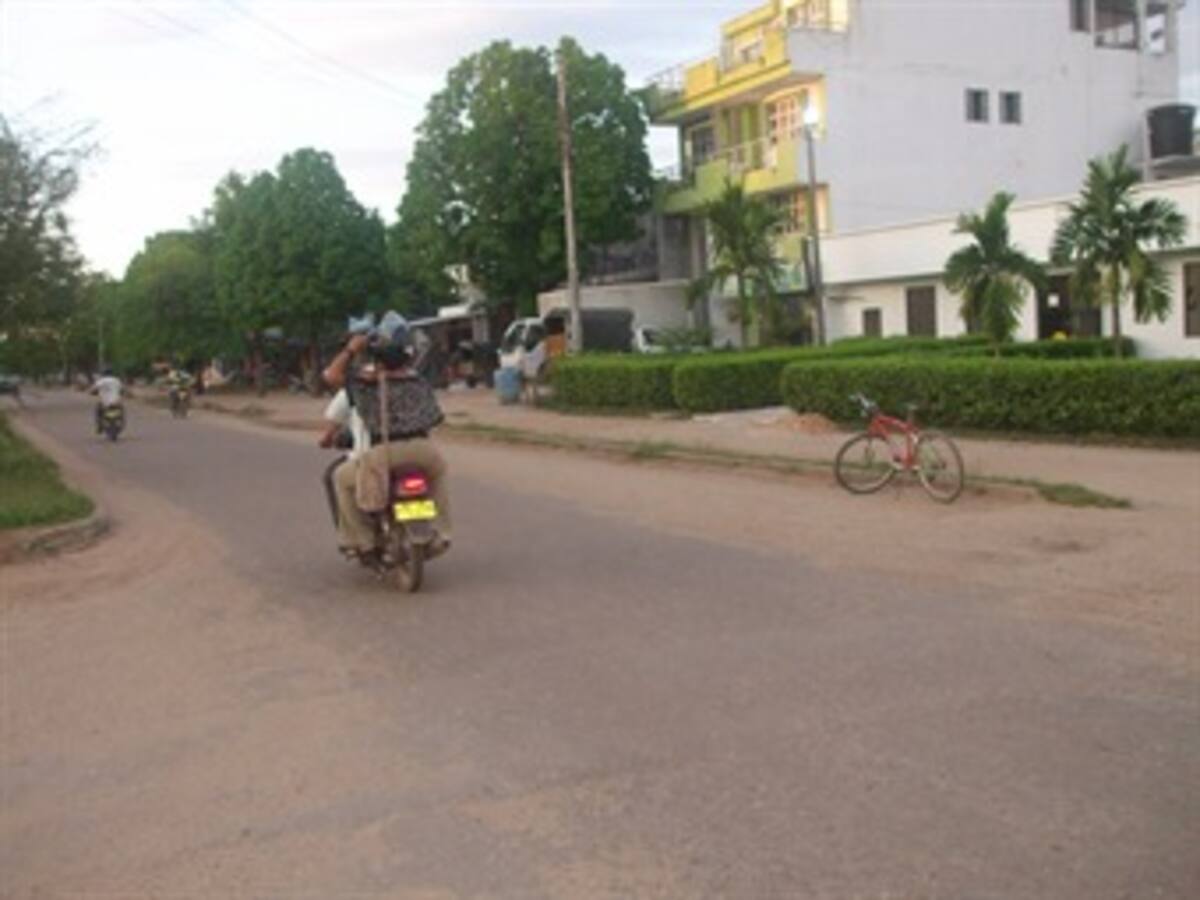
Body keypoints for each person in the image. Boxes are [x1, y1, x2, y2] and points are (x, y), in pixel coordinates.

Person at [322, 312, 452, 560]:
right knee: (440, 475)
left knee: (340, 478)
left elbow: (331, 376)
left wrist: (350, 350)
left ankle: (364, 542)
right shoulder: (418, 380)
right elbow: (437, 417)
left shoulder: (366, 384)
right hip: (424, 449)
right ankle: (442, 534)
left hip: (385, 453)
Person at [89, 367, 124, 433]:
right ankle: (121, 423)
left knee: (98, 411)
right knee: (121, 411)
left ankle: (99, 426)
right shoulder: (117, 380)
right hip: (116, 402)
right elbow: (122, 389)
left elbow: (92, 389)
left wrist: (92, 392)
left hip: (104, 403)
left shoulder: (100, 381)